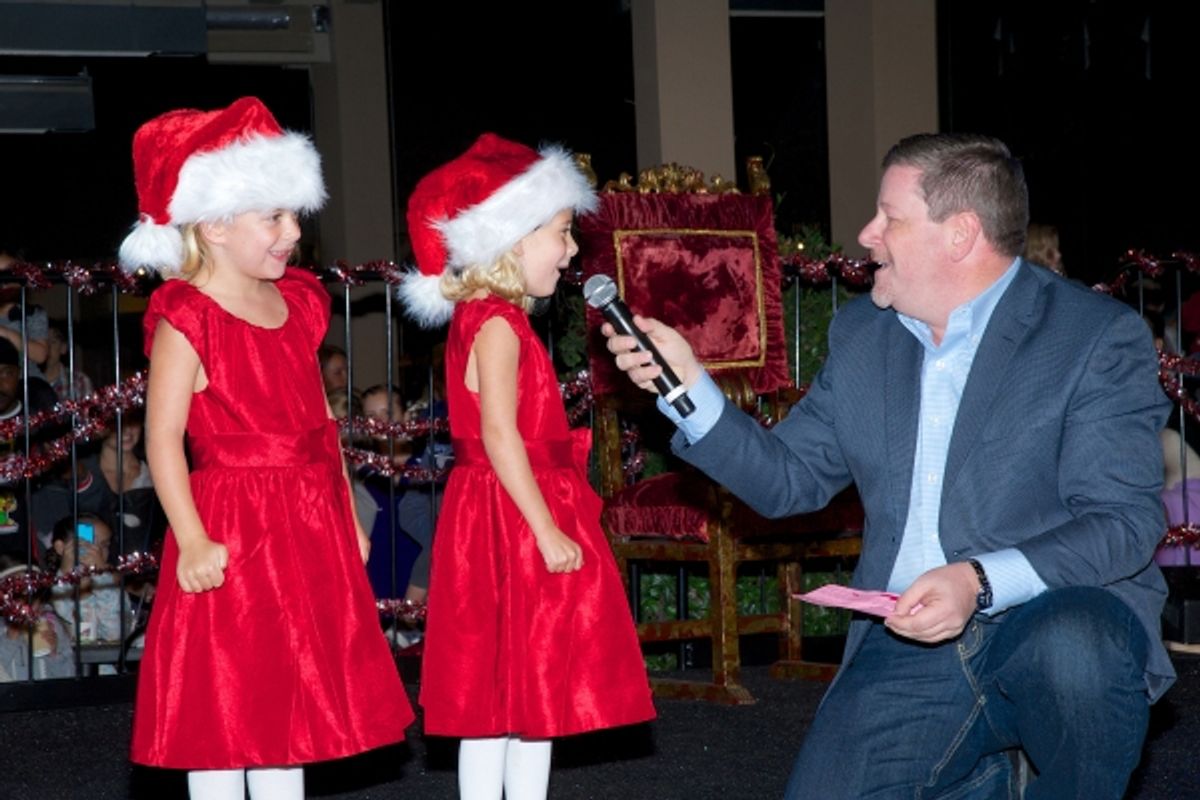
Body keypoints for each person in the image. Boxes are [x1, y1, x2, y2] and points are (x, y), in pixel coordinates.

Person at [603, 132, 1172, 799]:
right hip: (909, 643)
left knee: (1081, 651)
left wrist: (978, 582)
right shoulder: (862, 337)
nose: (867, 234)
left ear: (960, 235)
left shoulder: (1089, 335)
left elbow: (1124, 523)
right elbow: (787, 479)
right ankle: (985, 780)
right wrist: (688, 388)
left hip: (1046, 621)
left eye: (889, 218)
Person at [118, 96, 413, 799]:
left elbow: (321, 426)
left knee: (292, 704)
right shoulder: (186, 315)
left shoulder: (300, 302)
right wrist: (190, 539)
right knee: (226, 701)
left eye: (293, 215)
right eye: (274, 216)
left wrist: (348, 513)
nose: (292, 232)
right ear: (215, 224)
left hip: (306, 522)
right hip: (232, 525)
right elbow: (161, 439)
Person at [399, 132, 655, 800]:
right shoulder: (497, 325)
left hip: (503, 509)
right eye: (562, 233)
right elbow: (500, 436)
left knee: (520, 690)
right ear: (512, 239)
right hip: (510, 517)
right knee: (507, 689)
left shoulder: (490, 318)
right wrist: (545, 528)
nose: (572, 251)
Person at [41, 318, 95, 402]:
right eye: (42, 342)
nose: (46, 348)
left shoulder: (79, 382)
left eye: (52, 342)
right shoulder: (25, 381)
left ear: (63, 347)